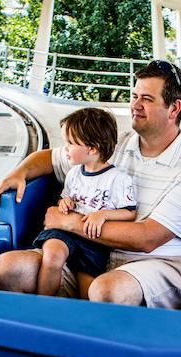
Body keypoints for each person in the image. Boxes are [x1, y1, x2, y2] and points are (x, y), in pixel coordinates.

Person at [0, 60, 181, 309]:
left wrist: (68, 222)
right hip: (91, 255)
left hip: (158, 266)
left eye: (147, 99)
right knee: (6, 269)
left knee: (106, 290)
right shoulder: (114, 147)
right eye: (134, 96)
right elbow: (52, 159)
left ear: (174, 109)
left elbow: (147, 238)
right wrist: (19, 172)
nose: (135, 106)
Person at [32, 108, 137, 299]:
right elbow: (67, 198)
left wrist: (103, 214)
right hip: (66, 232)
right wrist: (65, 203)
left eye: (71, 143)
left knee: (87, 288)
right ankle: (42, 306)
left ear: (93, 148)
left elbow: (129, 212)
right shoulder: (74, 173)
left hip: (94, 242)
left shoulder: (118, 179)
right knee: (53, 253)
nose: (65, 148)